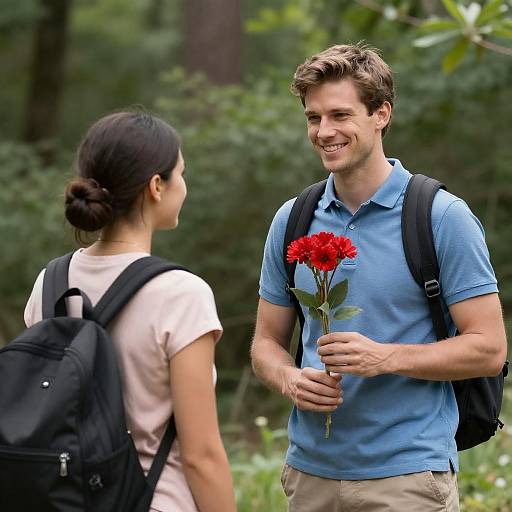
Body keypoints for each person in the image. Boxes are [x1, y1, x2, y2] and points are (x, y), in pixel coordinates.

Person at [251, 43, 508, 511]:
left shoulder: (441, 216)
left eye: (340, 115)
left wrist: (385, 357)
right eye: (313, 118)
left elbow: (489, 349)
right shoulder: (292, 219)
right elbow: (266, 344)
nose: (324, 132)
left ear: (381, 114)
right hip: (309, 477)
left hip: (408, 478)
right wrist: (289, 379)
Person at [24, 111, 237, 512]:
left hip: (64, 501)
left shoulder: (50, 282)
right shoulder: (181, 294)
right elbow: (201, 455)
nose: (184, 186)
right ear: (157, 186)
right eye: (181, 173)